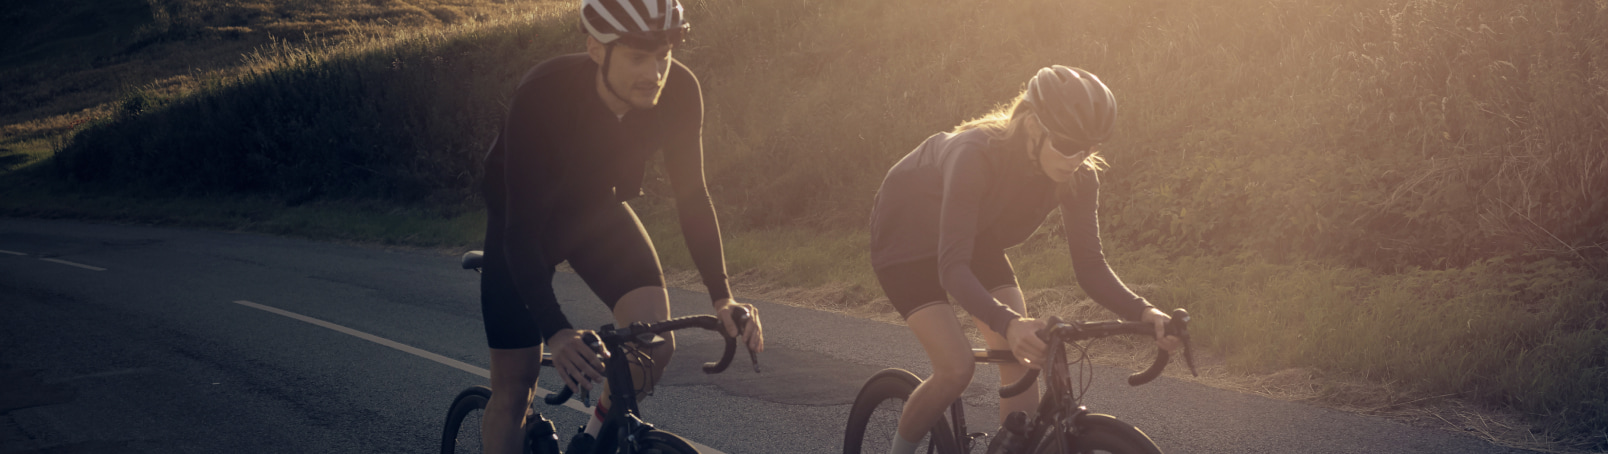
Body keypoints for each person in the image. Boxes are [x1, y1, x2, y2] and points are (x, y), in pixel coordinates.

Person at [478, 0, 763, 452]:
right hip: (524, 220)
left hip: (595, 211)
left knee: (654, 344)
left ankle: (593, 441)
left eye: (663, 54)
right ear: (596, 49)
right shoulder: (543, 92)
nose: (655, 71)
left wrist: (722, 295)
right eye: (637, 56)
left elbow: (693, 198)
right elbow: (520, 230)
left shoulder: (680, 92)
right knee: (514, 390)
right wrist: (556, 330)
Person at [867, 66, 1182, 454]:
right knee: (956, 368)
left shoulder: (1078, 176)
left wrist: (1145, 312)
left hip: (973, 234)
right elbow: (952, 269)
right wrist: (1009, 322)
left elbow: (1090, 267)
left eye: (1090, 148)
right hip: (906, 236)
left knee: (1024, 354)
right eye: (1068, 144)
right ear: (1034, 126)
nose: (1078, 158)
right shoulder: (974, 154)